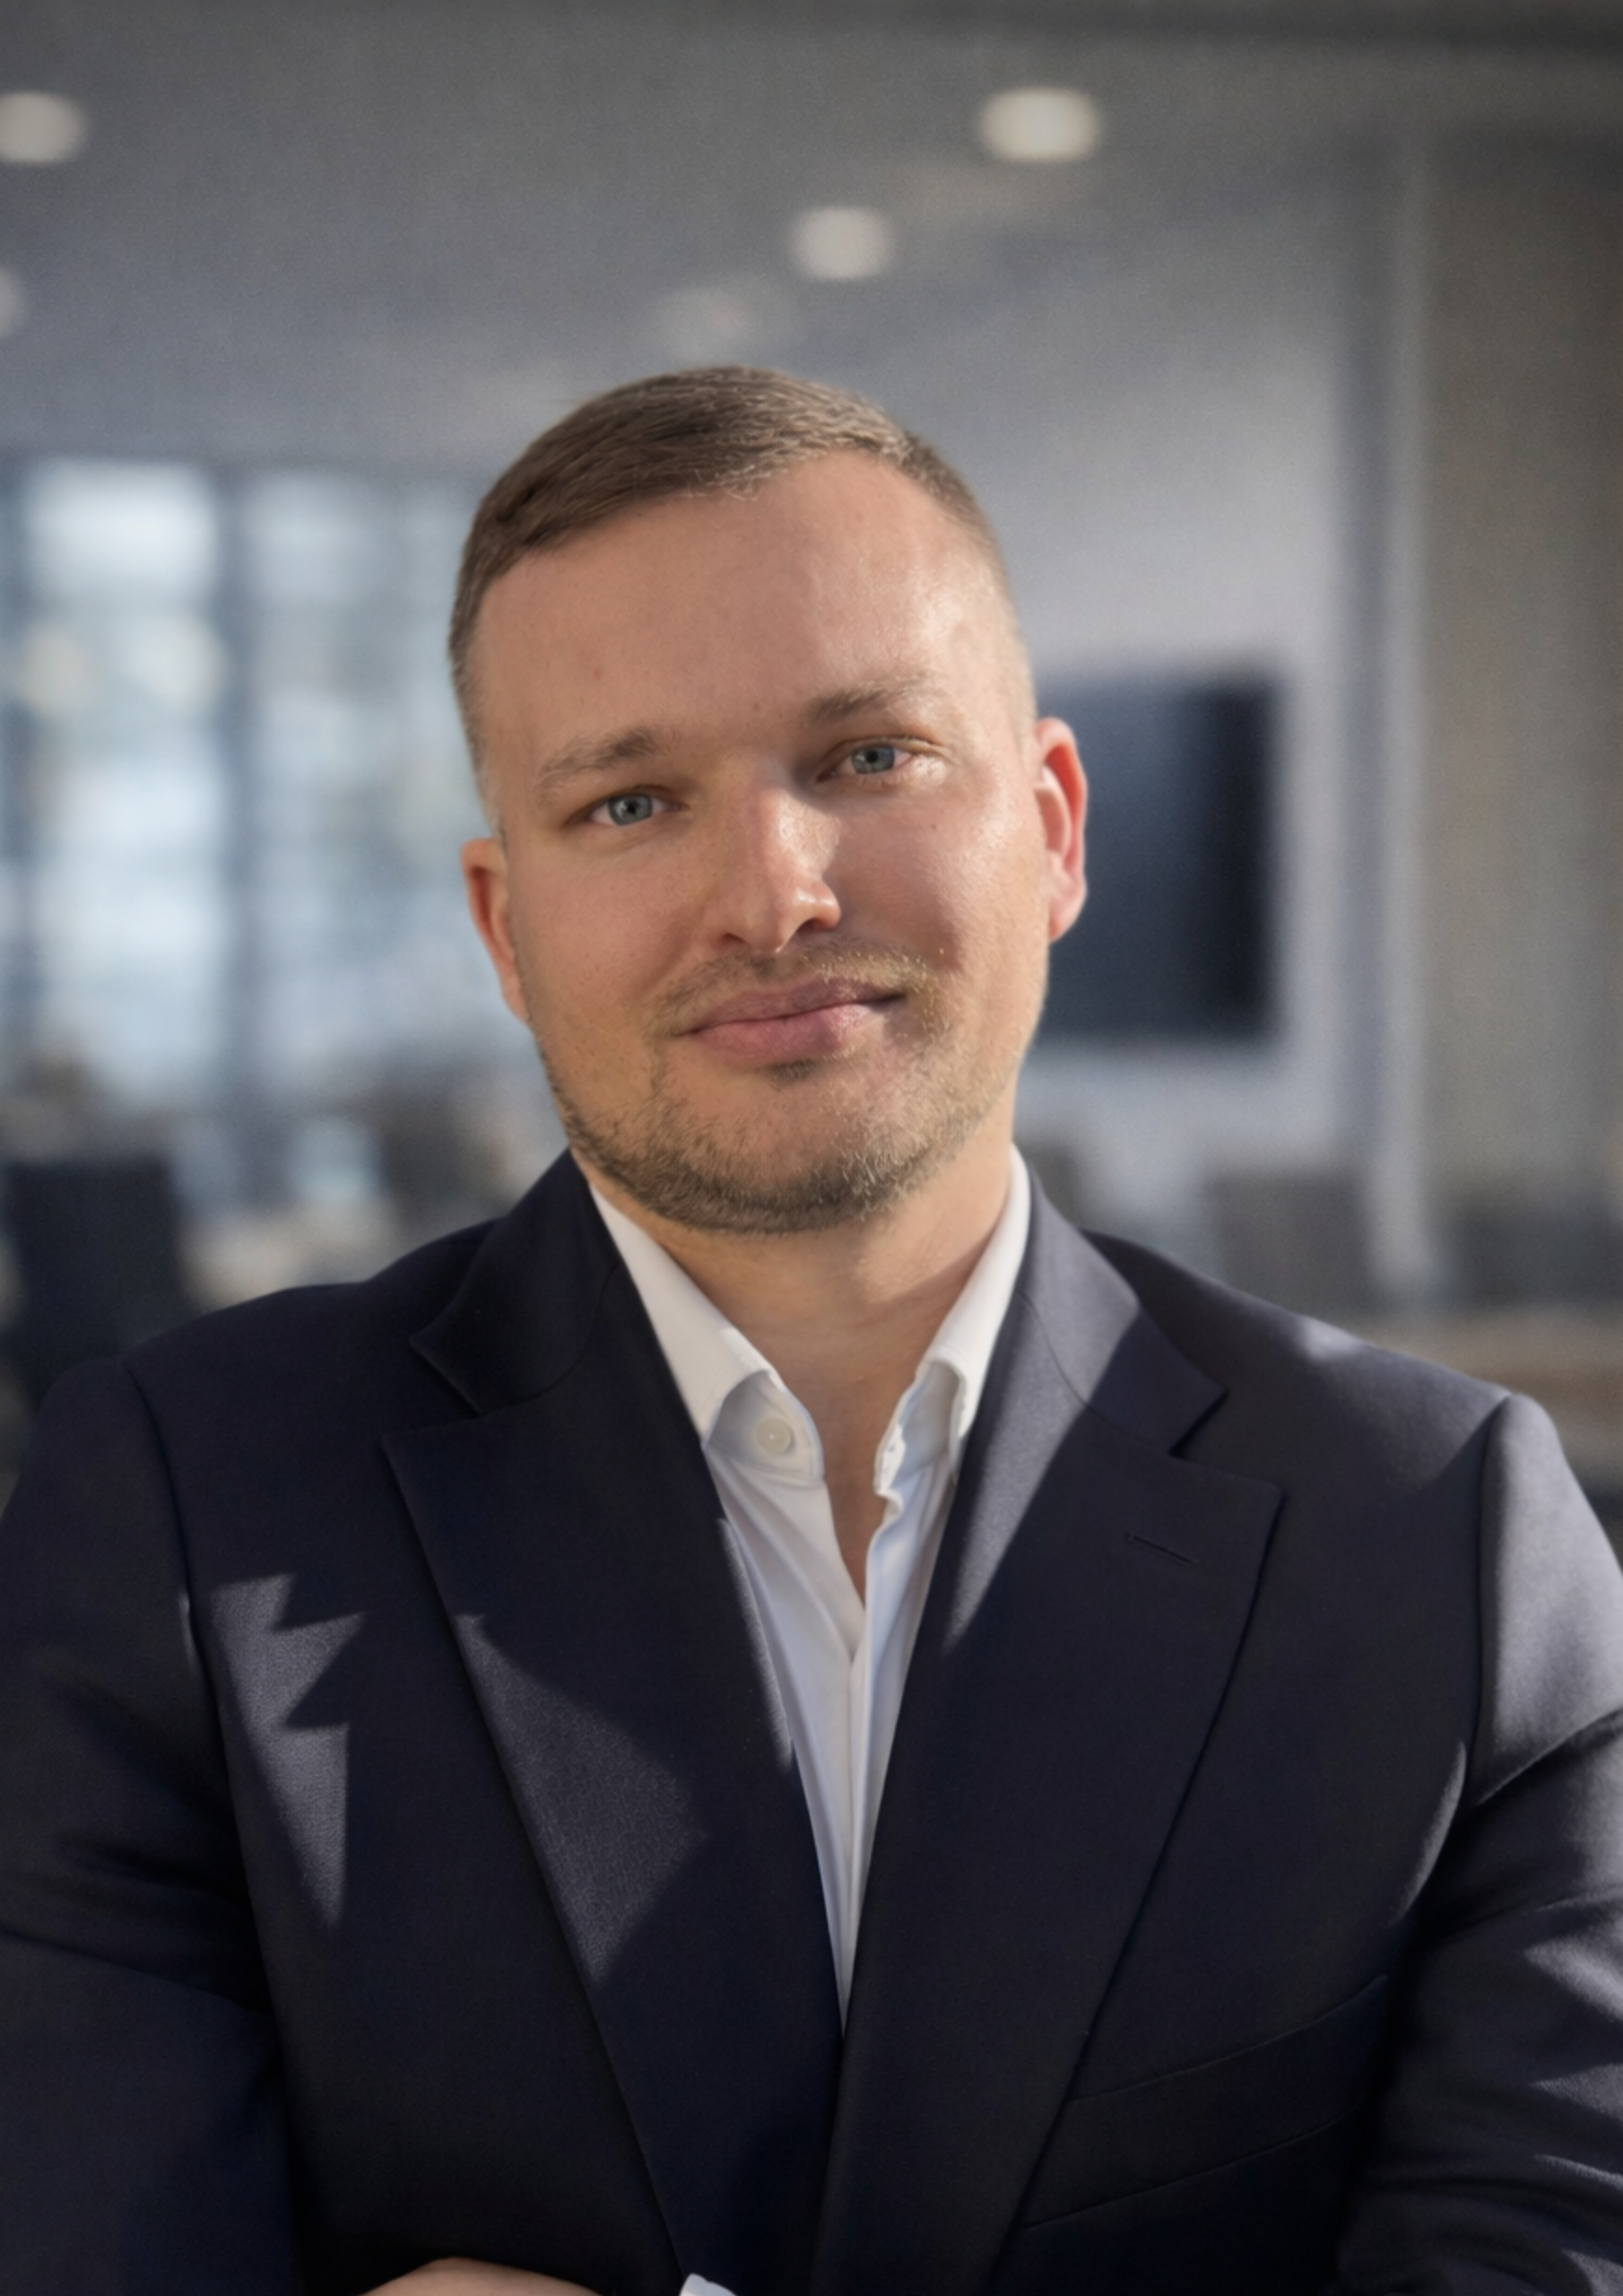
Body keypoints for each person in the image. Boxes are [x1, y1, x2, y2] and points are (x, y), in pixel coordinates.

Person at [2, 367, 1622, 2296]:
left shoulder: (1442, 1540)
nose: (771, 894)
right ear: (505, 929)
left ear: (1051, 827)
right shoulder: (179, 1519)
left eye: (866, 755)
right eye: (628, 801)